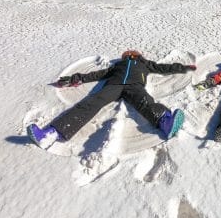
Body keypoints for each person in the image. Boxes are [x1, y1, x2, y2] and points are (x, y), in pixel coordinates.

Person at [27, 50, 196, 148]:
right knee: (90, 103)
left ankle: (165, 122)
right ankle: (50, 133)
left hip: (134, 86)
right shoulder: (117, 66)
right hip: (113, 86)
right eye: (127, 53)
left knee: (146, 102)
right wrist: (73, 79)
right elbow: (96, 74)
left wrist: (184, 67)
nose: (129, 53)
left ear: (137, 55)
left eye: (132, 52)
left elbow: (163, 68)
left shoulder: (145, 64)